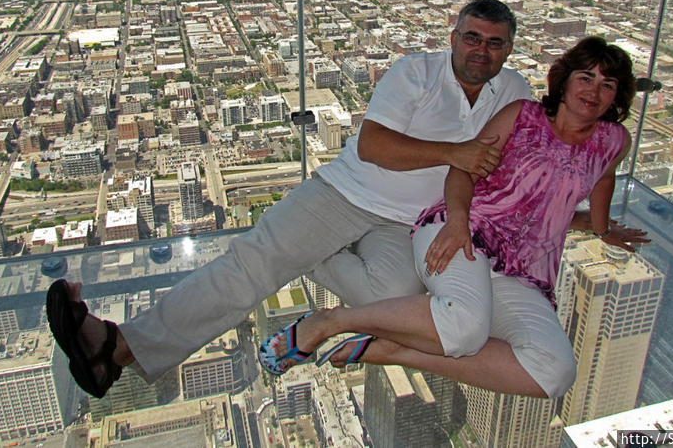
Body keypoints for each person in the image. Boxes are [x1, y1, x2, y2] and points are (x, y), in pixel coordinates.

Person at [47, 0, 644, 398]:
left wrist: (600, 223)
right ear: (453, 37)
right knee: (251, 268)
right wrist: (454, 155)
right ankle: (119, 347)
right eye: (472, 38)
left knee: (396, 301)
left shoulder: (513, 94)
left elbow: (576, 162)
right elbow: (375, 144)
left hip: (410, 225)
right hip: (347, 193)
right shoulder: (415, 73)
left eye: (495, 43)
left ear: (510, 52)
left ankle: (311, 258)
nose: (481, 50)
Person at [259, 36, 637, 399]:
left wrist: (602, 229)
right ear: (565, 80)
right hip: (466, 231)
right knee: (464, 327)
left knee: (554, 371)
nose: (593, 91)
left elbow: (603, 177)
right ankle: (331, 322)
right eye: (585, 77)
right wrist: (458, 223)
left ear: (617, 95)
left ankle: (391, 350)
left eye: (607, 84)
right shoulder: (523, 116)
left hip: (525, 268)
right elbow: (463, 168)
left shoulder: (615, 140)